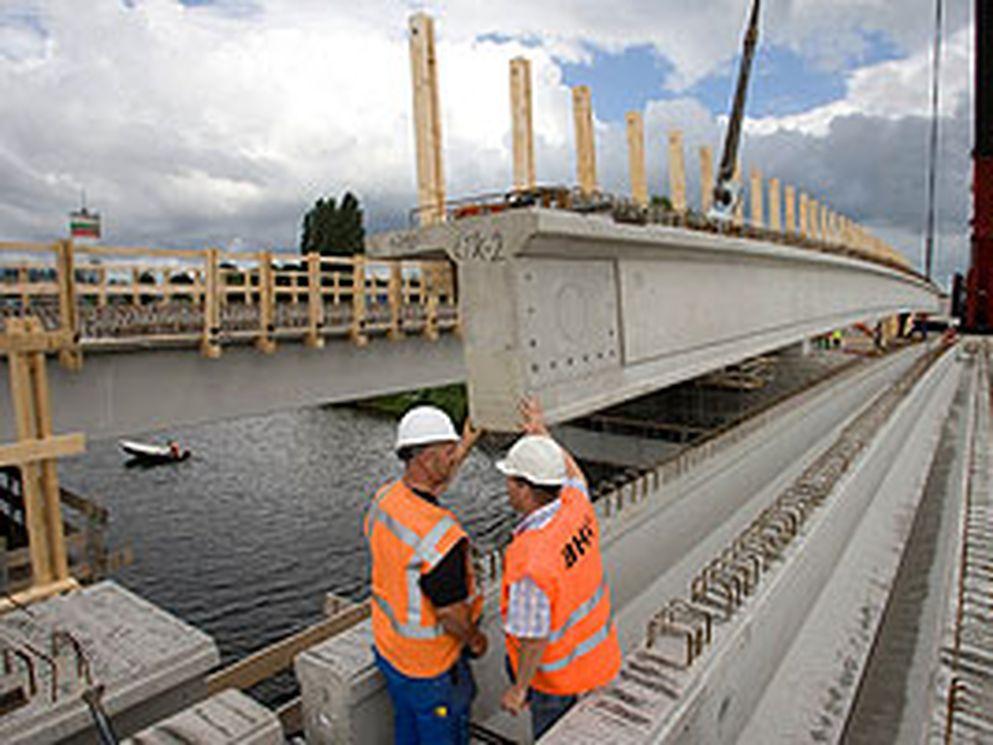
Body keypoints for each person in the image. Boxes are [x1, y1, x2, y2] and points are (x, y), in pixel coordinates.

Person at [496, 398, 621, 739]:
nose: (506, 486)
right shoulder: (575, 505)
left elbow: (533, 639)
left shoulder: (531, 561)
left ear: (523, 489)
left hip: (552, 678)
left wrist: (520, 689)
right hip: (593, 657)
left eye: (510, 479)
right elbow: (574, 474)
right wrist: (542, 435)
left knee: (550, 734)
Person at [365, 405, 488, 745]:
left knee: (407, 727)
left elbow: (433, 485)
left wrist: (465, 442)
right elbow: (451, 615)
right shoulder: (441, 538)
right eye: (448, 453)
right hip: (430, 668)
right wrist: (476, 641)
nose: (454, 460)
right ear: (426, 458)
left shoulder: (386, 500)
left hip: (391, 651)